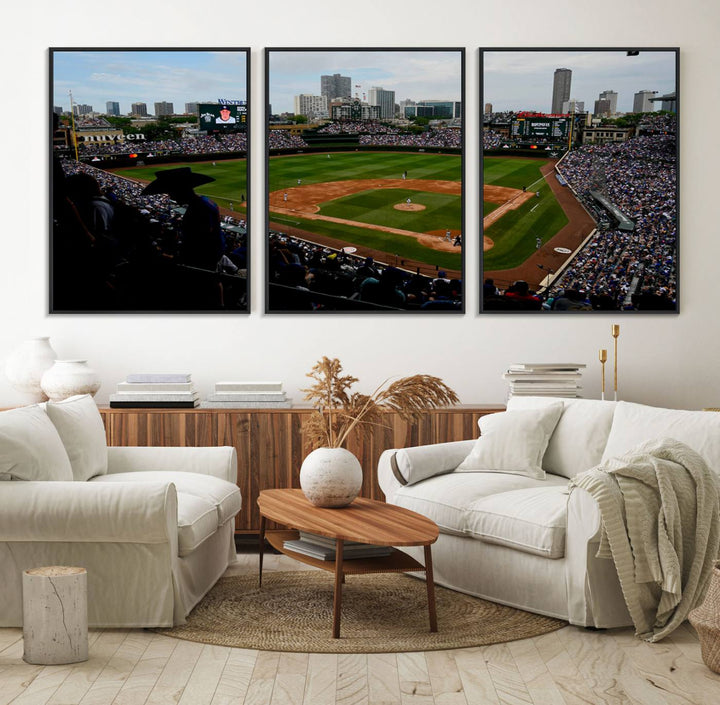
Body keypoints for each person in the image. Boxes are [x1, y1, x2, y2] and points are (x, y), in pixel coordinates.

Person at [142, 167, 224, 271]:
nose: (171, 197)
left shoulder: (200, 207)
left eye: (171, 192)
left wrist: (174, 258)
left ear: (180, 190)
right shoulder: (202, 202)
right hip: (205, 261)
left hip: (201, 265)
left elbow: (201, 243)